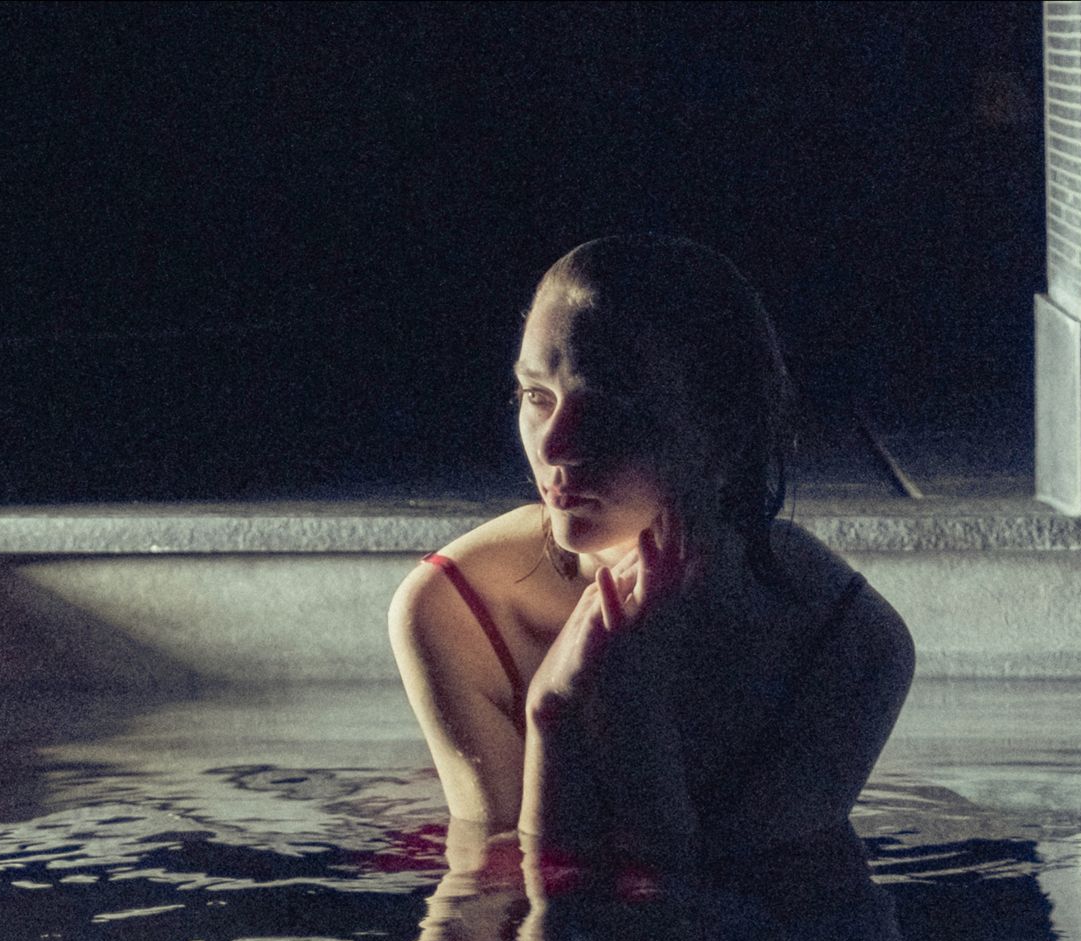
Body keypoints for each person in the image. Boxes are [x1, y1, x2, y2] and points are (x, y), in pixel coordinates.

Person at [388, 233, 916, 893]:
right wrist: (553, 711)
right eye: (536, 397)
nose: (554, 445)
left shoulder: (850, 645)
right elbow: (507, 902)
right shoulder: (455, 609)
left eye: (606, 403)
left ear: (723, 426)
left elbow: (718, 915)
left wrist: (625, 709)